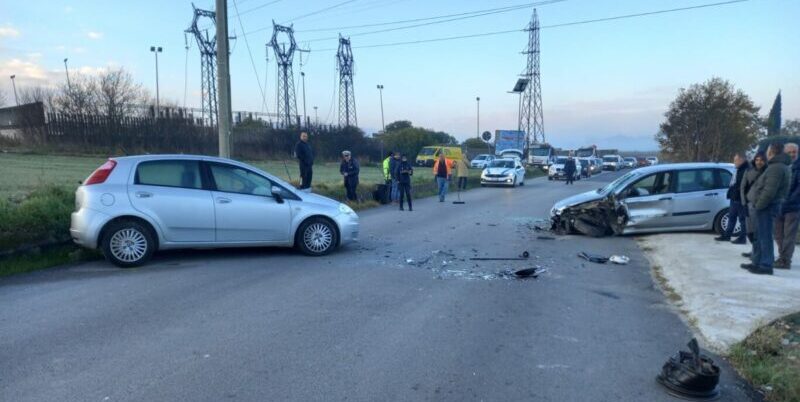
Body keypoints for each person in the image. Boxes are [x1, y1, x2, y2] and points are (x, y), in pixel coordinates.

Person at [743, 143, 791, 275]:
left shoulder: (776, 168)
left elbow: (769, 191)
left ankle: (766, 265)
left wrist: (758, 205)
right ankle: (756, 261)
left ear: (772, 152)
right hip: (764, 206)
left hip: (767, 207)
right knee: (759, 235)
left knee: (765, 236)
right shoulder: (775, 166)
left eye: (768, 150)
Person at [774, 143, 800, 269]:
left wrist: (788, 200)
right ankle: (781, 257)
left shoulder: (798, 167)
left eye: (794, 152)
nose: (792, 154)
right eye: (789, 152)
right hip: (779, 205)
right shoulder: (782, 166)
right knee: (779, 234)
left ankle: (786, 261)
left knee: (789, 235)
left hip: (792, 207)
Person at [715, 152, 749, 243]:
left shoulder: (746, 170)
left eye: (735, 160)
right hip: (734, 197)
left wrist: (738, 194)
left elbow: (743, 185)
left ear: (741, 160)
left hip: (740, 198)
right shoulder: (738, 169)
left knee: (742, 218)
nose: (734, 162)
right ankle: (727, 235)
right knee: (732, 217)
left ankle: (742, 238)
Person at [741, 152, 766, 261]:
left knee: (758, 231)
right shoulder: (749, 171)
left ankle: (758, 253)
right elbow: (743, 187)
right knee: (749, 231)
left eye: (761, 160)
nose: (759, 162)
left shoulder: (767, 172)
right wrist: (744, 202)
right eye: (757, 160)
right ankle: (754, 250)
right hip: (748, 204)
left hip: (760, 205)